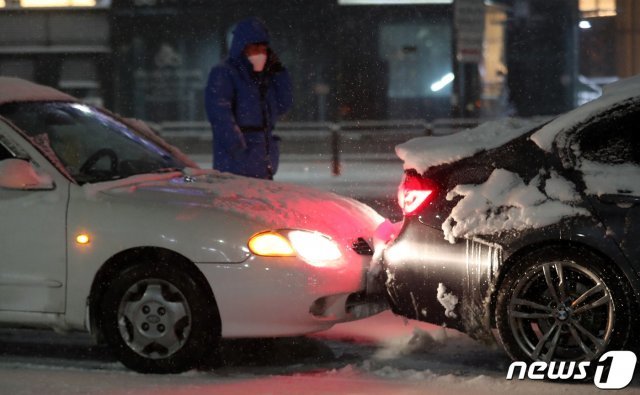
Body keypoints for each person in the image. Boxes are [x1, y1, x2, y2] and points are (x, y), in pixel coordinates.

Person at [205, 17, 293, 179]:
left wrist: (279, 73)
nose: (260, 53)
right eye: (254, 48)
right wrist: (238, 148)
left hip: (262, 159)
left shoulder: (266, 76)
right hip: (237, 163)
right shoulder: (225, 73)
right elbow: (219, 114)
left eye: (263, 48)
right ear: (242, 47)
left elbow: (283, 104)